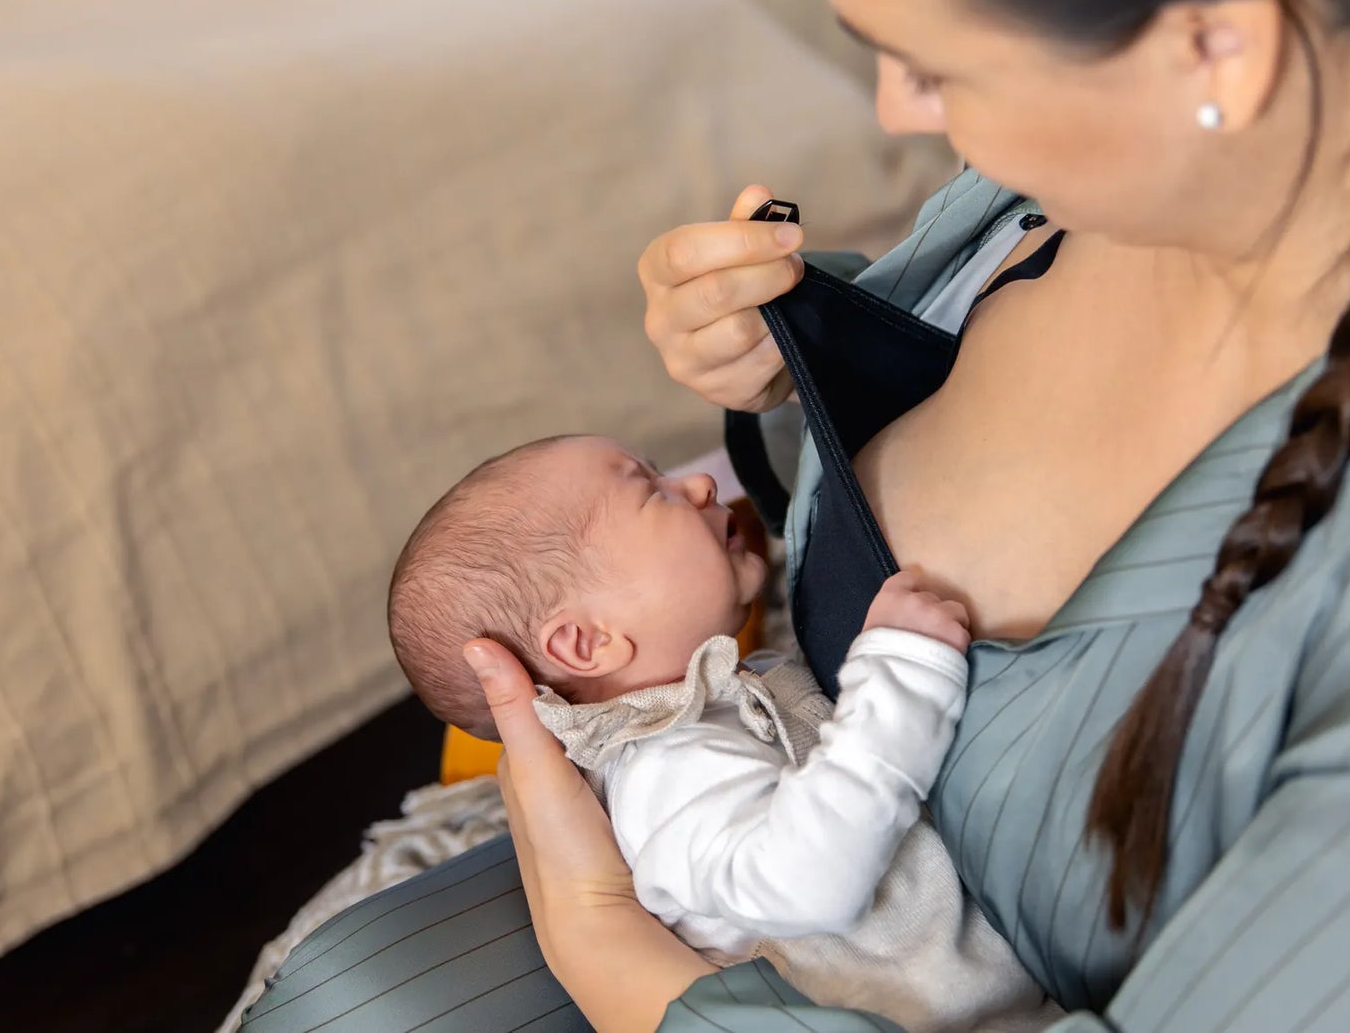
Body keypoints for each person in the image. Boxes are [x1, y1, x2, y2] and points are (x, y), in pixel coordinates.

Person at [236, 0, 1350, 1030]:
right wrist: (800, 349)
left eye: (934, 62)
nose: (898, 112)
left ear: (1215, 44)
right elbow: (935, 429)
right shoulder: (1109, 171)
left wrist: (613, 952)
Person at [385, 434, 1056, 1031]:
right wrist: (900, 675)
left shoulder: (725, 699)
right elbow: (806, 879)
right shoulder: (663, 770)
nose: (700, 485)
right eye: (651, 490)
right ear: (588, 643)